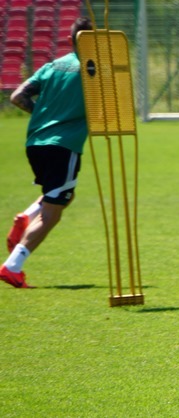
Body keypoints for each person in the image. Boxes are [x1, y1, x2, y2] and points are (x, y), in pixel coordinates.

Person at [2, 17, 94, 289]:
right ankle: (12, 267)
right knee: (52, 213)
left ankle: (26, 217)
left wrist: (44, 116)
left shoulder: (52, 66)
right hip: (63, 145)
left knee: (63, 194)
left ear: (70, 40)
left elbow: (17, 97)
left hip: (35, 143)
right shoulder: (93, 70)